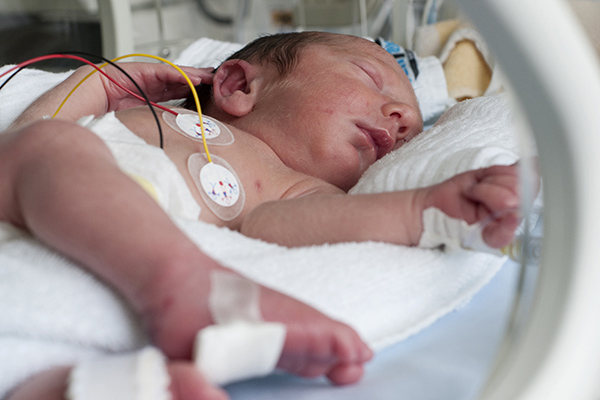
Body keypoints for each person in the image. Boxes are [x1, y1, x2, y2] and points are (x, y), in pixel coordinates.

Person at [0, 31, 520, 400]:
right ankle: (178, 282)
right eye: (372, 80)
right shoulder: (161, 118)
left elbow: (287, 228)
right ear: (239, 87)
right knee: (48, 141)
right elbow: (26, 135)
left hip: (74, 273)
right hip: (35, 207)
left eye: (413, 132)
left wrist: (420, 209)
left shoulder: (297, 191)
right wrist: (103, 85)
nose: (405, 118)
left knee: (33, 362)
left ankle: (78, 388)